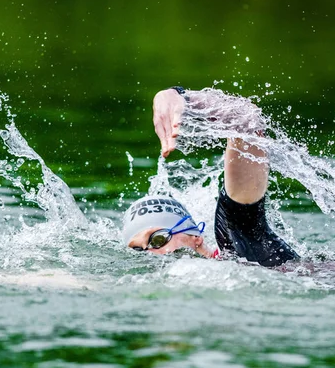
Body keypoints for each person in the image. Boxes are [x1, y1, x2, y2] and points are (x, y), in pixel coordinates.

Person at [121, 87, 299, 267]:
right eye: (137, 250)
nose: (149, 254)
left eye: (158, 239)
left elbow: (245, 122)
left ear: (195, 237)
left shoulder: (241, 250)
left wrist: (181, 97)